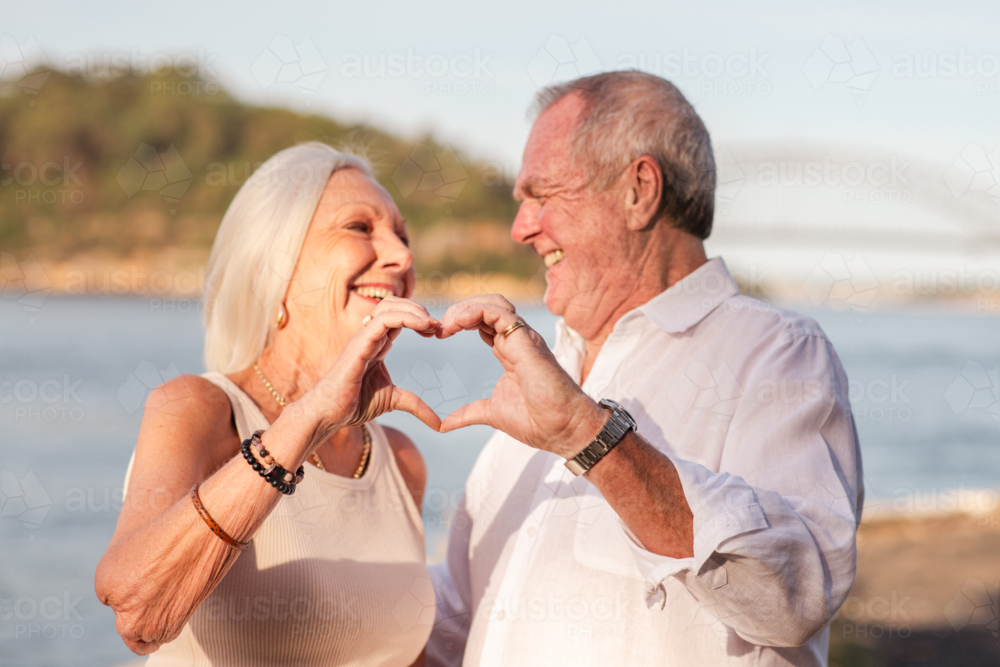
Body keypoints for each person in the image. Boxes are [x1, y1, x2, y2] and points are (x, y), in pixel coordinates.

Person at [426, 71, 863, 666]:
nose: (520, 227)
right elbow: (456, 622)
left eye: (543, 194)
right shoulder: (546, 368)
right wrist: (321, 454)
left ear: (639, 190)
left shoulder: (776, 352)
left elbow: (795, 596)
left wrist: (587, 435)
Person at [96, 143, 443, 666]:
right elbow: (138, 614)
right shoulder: (198, 410)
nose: (402, 255)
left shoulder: (400, 458)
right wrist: (306, 419)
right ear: (275, 266)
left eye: (403, 234)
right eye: (360, 227)